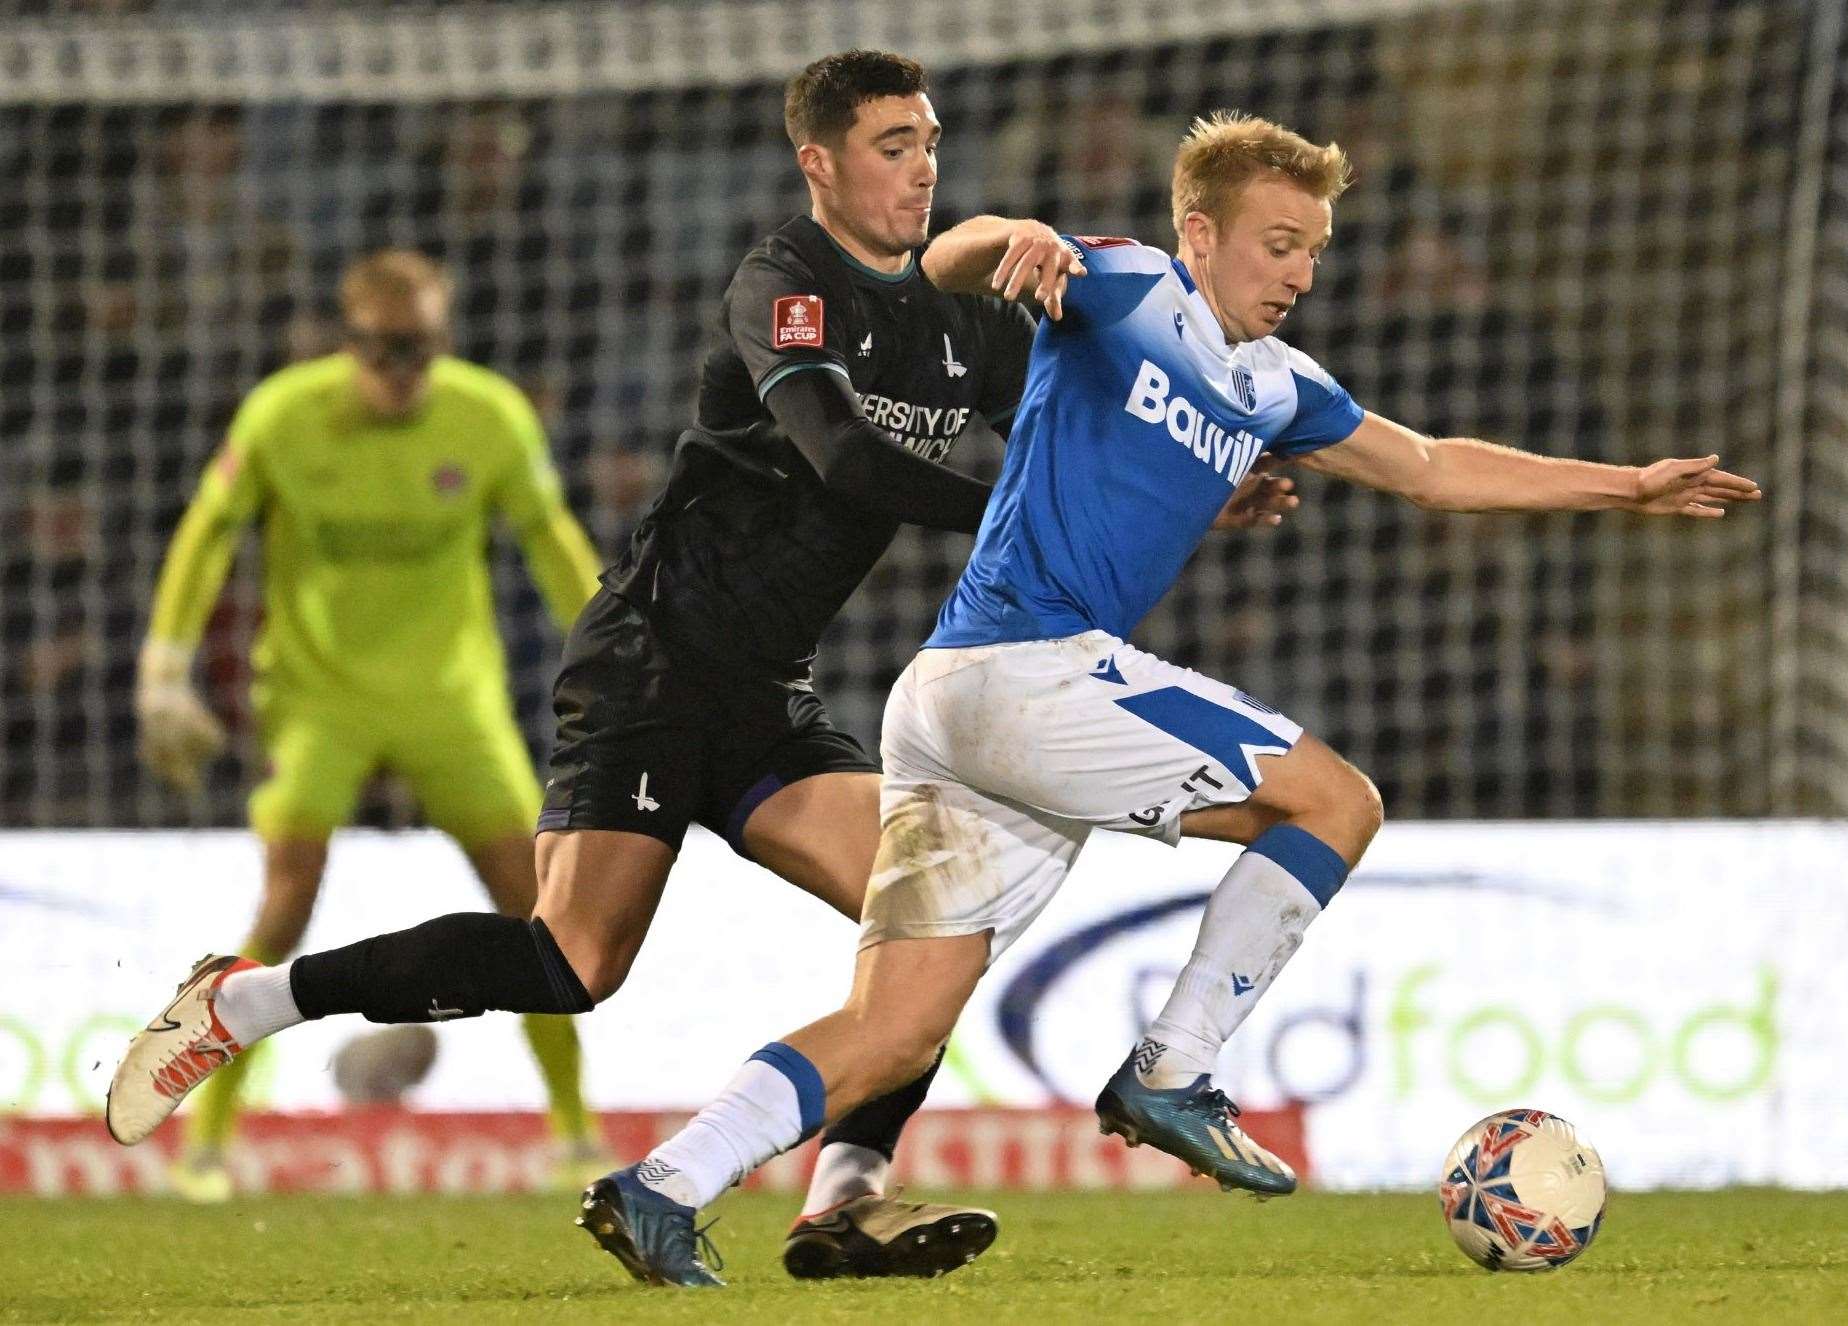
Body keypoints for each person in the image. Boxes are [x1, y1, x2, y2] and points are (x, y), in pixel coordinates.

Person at [107, 51, 1297, 1276]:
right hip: (654, 662)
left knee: (936, 924)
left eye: (930, 142)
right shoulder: (784, 281)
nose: (921, 166)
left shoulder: (959, 331)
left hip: (767, 694)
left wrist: (1200, 484)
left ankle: (845, 1197)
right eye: (892, 145)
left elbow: (1084, 427)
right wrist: (1014, 518)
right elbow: (839, 454)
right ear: (819, 163)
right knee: (570, 964)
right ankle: (244, 1003)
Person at [577, 109, 1763, 1288]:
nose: (1298, 272)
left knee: (892, 1033)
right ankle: (1172, 1069)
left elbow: (1432, 467)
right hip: (1022, 669)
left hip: (951, 702)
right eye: (1277, 242)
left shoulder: (1275, 386)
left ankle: (660, 1186)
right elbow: (945, 261)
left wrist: (1628, 486)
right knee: (1335, 802)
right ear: (1199, 231)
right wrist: (1014, 234)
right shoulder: (1132, 287)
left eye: (1312, 249)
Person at [127, 248, 610, 1199]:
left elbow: (552, 541)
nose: (404, 371)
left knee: (535, 910)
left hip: (450, 695)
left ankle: (573, 1130)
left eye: (421, 349)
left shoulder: (487, 417)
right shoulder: (283, 415)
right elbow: (207, 530)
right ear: (348, 342)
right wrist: (162, 668)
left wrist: (617, 659)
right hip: (318, 696)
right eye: (386, 351)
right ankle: (210, 1142)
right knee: (287, 900)